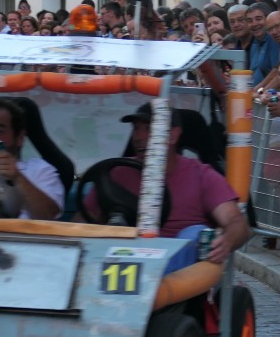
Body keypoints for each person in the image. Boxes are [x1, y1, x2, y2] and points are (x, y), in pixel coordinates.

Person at [84, 102, 249, 263]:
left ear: (173, 135)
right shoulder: (117, 172)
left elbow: (236, 221)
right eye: (136, 128)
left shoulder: (202, 175)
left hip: (178, 275)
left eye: (149, 128)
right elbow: (84, 219)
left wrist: (226, 241)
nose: (138, 137)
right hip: (118, 259)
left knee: (195, 233)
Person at [245, 2, 280, 86]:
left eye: (258, 19)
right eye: (250, 21)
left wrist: (257, 91)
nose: (254, 24)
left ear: (268, 19)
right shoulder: (254, 43)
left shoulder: (274, 40)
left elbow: (277, 72)